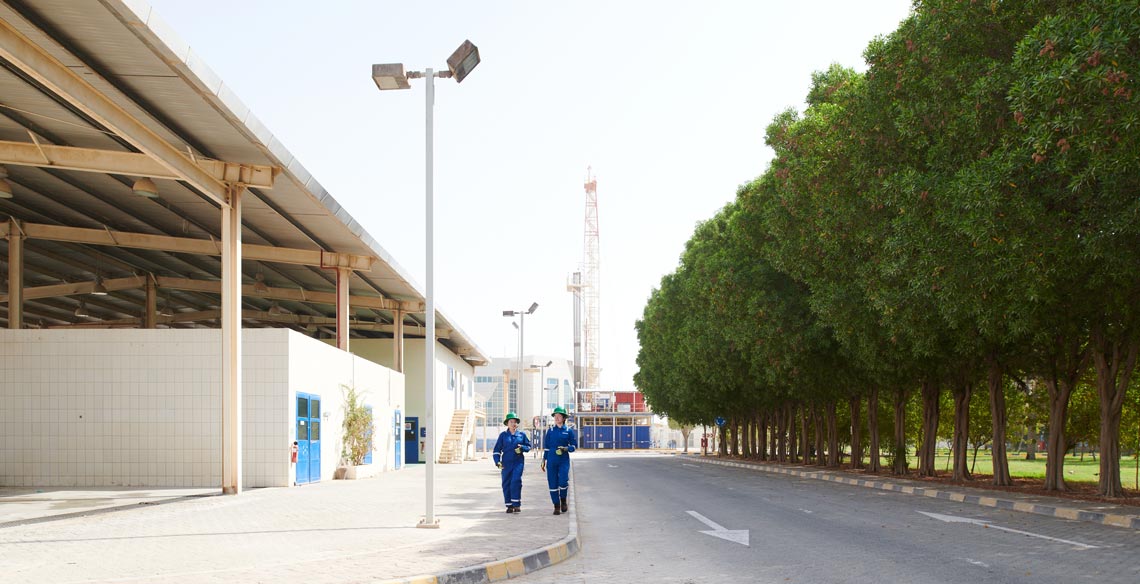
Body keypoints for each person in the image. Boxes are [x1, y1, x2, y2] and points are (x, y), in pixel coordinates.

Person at [541, 407, 577, 515]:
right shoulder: (550, 431)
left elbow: (574, 446)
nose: (556, 418)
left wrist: (566, 449)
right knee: (552, 483)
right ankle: (556, 506)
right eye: (555, 416)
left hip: (563, 461)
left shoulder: (568, 431)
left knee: (563, 481)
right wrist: (544, 460)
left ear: (564, 418)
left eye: (559, 416)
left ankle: (563, 500)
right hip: (551, 460)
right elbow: (546, 448)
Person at [493, 411, 531, 513]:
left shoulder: (521, 435)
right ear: (507, 423)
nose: (513, 424)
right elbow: (496, 450)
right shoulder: (503, 436)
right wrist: (497, 462)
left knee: (515, 481)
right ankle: (509, 505)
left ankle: (516, 504)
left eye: (515, 422)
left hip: (518, 463)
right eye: (511, 422)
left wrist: (522, 448)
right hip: (506, 463)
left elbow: (528, 447)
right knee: (506, 483)